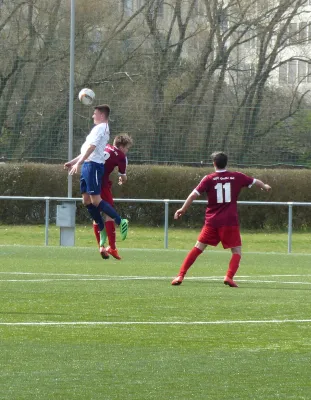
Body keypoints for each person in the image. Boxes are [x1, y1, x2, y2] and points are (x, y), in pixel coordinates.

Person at [171, 151, 271, 287]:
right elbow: (255, 181)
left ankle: (180, 276)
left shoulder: (208, 178)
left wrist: (182, 209)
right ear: (226, 163)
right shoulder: (237, 176)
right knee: (236, 251)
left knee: (198, 248)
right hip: (230, 221)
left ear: (214, 164)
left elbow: (193, 195)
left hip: (212, 221)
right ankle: (229, 277)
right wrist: (264, 186)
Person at [64, 104, 129, 259]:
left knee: (96, 201)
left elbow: (92, 148)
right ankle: (102, 229)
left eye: (95, 114)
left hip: (93, 166)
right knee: (86, 200)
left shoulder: (101, 128)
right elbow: (87, 148)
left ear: (101, 115)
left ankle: (120, 221)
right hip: (87, 164)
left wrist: (78, 163)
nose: (92, 116)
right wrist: (74, 162)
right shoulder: (98, 129)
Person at [93, 134, 133, 260]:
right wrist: (123, 179)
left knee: (96, 214)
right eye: (127, 148)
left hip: (92, 181)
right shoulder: (121, 156)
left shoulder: (106, 147)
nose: (127, 151)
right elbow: (123, 176)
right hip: (102, 184)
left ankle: (101, 246)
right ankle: (112, 247)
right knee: (109, 212)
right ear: (121, 146)